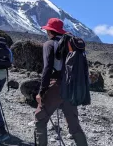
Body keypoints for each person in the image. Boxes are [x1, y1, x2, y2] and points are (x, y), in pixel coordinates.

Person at [34, 18, 88, 146]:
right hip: (72, 88)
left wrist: (41, 92)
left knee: (40, 119)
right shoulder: (72, 45)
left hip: (57, 86)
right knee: (74, 125)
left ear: (50, 31)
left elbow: (47, 68)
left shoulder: (50, 44)